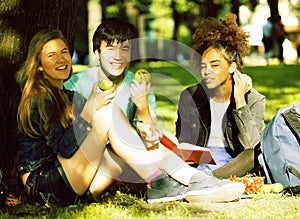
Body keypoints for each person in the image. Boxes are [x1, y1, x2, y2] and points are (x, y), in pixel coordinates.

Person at [16, 29, 245, 207]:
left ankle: (191, 181)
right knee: (107, 114)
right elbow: (64, 149)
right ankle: (169, 182)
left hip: (75, 182)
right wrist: (90, 110)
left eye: (64, 52)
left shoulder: (67, 95)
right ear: (39, 67)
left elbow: (113, 141)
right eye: (51, 56)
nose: (61, 59)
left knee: (131, 136)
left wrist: (143, 116)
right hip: (45, 186)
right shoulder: (40, 98)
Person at [176, 14, 266, 179]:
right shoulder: (191, 97)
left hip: (236, 164)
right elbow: (183, 144)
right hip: (200, 163)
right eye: (203, 66)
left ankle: (204, 182)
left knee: (253, 155)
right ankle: (200, 181)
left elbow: (252, 148)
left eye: (215, 65)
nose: (206, 71)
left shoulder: (253, 99)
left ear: (232, 67)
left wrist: (240, 103)